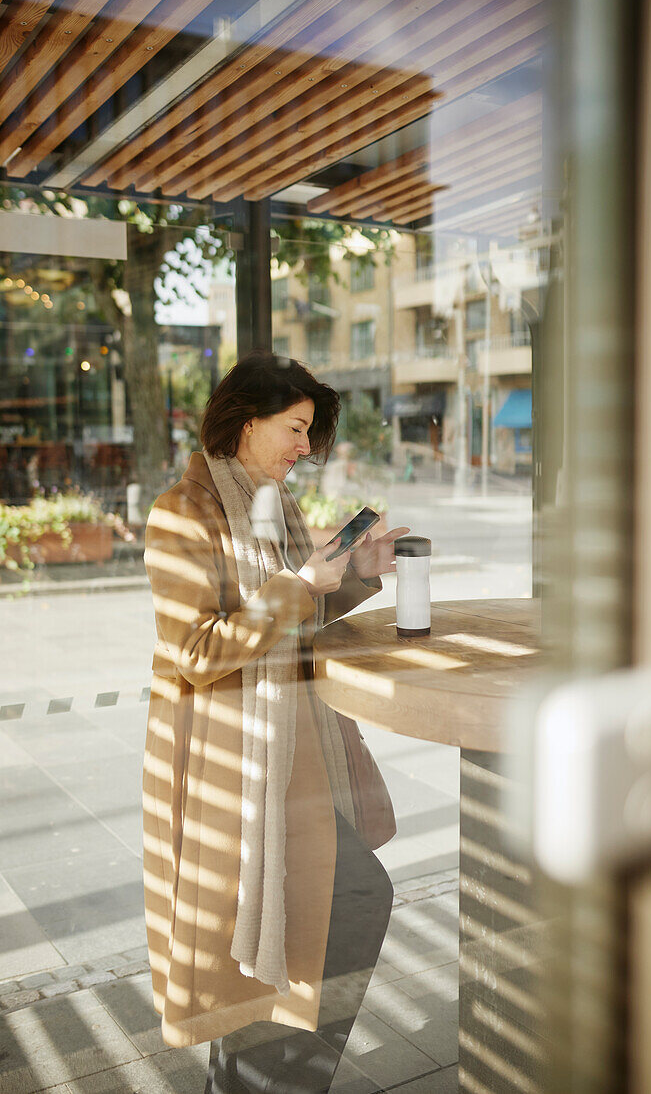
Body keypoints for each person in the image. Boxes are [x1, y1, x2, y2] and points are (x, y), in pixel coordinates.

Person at [143, 351, 409, 1093]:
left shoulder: (272, 506)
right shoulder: (181, 512)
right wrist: (299, 585)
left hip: (291, 754)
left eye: (308, 434)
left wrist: (358, 571)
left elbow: (301, 614)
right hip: (231, 767)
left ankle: (263, 1078)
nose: (305, 448)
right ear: (244, 421)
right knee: (318, 916)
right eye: (294, 429)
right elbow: (195, 650)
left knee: (304, 921)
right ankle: (270, 1080)